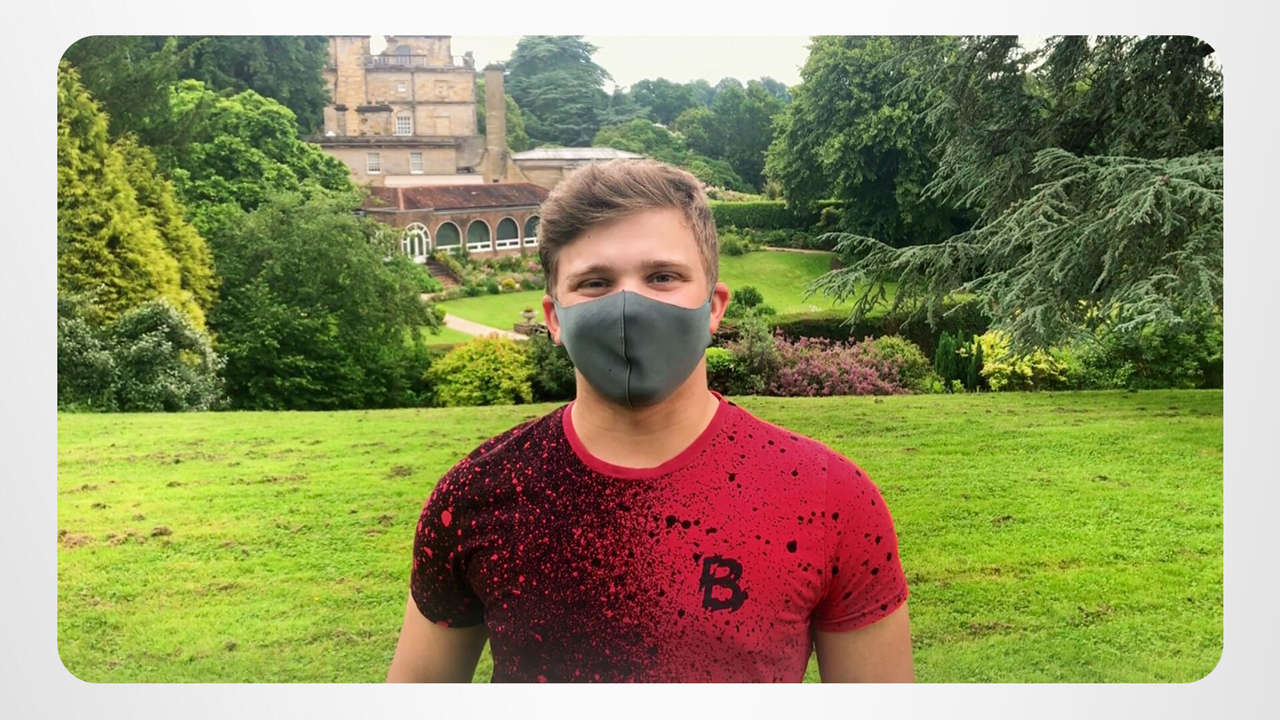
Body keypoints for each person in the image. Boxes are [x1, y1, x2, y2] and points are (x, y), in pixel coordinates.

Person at [386, 159, 913, 683]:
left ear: (714, 307)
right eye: (595, 282)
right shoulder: (474, 497)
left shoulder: (828, 497)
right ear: (554, 319)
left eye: (662, 277)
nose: (628, 307)